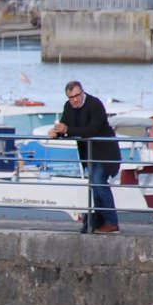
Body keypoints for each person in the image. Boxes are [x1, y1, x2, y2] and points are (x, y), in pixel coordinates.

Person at [51, 79, 120, 234]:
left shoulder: (95, 104)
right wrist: (56, 132)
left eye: (77, 95)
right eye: (71, 97)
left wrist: (67, 129)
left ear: (83, 92)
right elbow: (65, 126)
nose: (75, 100)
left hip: (105, 151)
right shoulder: (68, 107)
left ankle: (112, 222)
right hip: (88, 153)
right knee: (95, 187)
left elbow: (91, 130)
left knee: (98, 182)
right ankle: (100, 221)